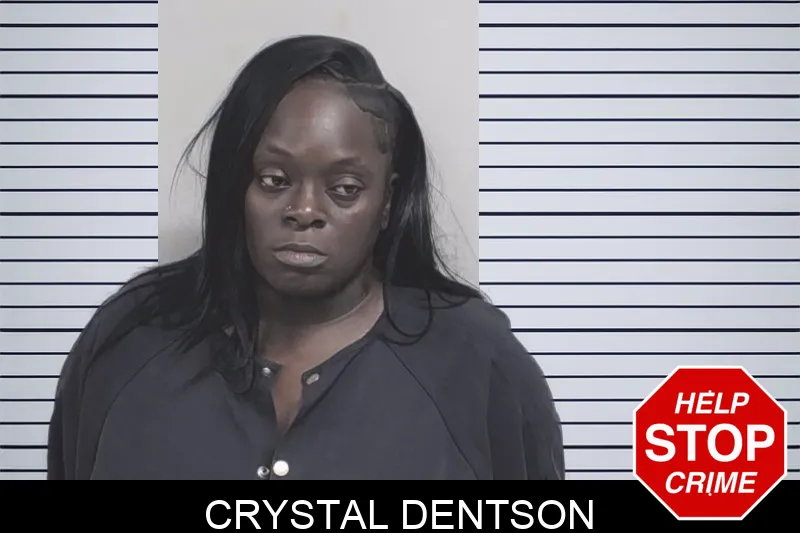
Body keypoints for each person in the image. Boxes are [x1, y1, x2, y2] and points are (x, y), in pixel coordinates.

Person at [46, 35, 564, 480]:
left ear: (387, 201)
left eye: (345, 189)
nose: (305, 211)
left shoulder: (476, 364)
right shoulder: (130, 340)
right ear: (234, 184)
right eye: (274, 180)